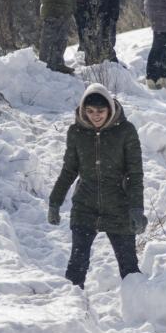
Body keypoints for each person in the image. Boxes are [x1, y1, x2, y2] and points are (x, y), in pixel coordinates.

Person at [48, 83, 147, 288]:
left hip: (118, 207)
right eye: (90, 111)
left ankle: (139, 303)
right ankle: (72, 303)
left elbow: (135, 174)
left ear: (109, 109)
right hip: (85, 207)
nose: (95, 116)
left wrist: (136, 208)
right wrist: (54, 202)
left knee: (129, 267)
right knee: (77, 266)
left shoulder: (125, 131)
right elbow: (69, 170)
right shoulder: (76, 132)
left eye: (100, 111)